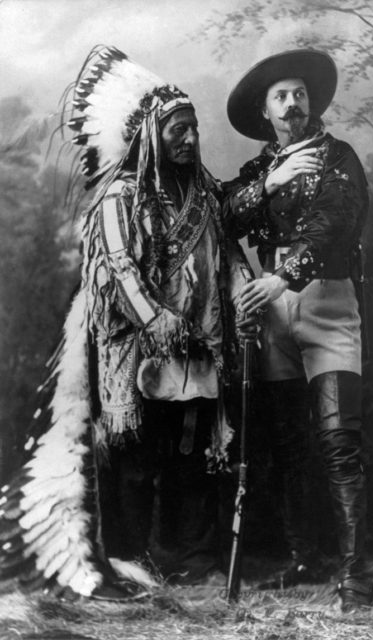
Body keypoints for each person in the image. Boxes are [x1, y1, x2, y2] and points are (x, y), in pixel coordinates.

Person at [0, 45, 254, 599]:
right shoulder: (119, 198)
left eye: (193, 129)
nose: (189, 139)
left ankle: (189, 559)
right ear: (150, 137)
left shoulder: (205, 196)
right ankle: (131, 559)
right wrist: (155, 318)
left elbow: (226, 255)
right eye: (177, 131)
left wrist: (241, 298)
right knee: (135, 460)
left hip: (196, 350)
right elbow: (117, 268)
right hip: (133, 351)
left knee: (191, 456)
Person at [224, 49, 373, 612]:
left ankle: (355, 573)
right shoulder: (259, 171)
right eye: (281, 97)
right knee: (288, 445)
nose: (293, 104)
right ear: (266, 112)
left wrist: (282, 277)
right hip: (271, 316)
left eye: (300, 95)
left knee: (339, 441)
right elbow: (223, 218)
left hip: (327, 304)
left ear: (311, 105)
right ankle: (303, 558)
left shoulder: (339, 158)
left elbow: (336, 224)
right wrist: (269, 183)